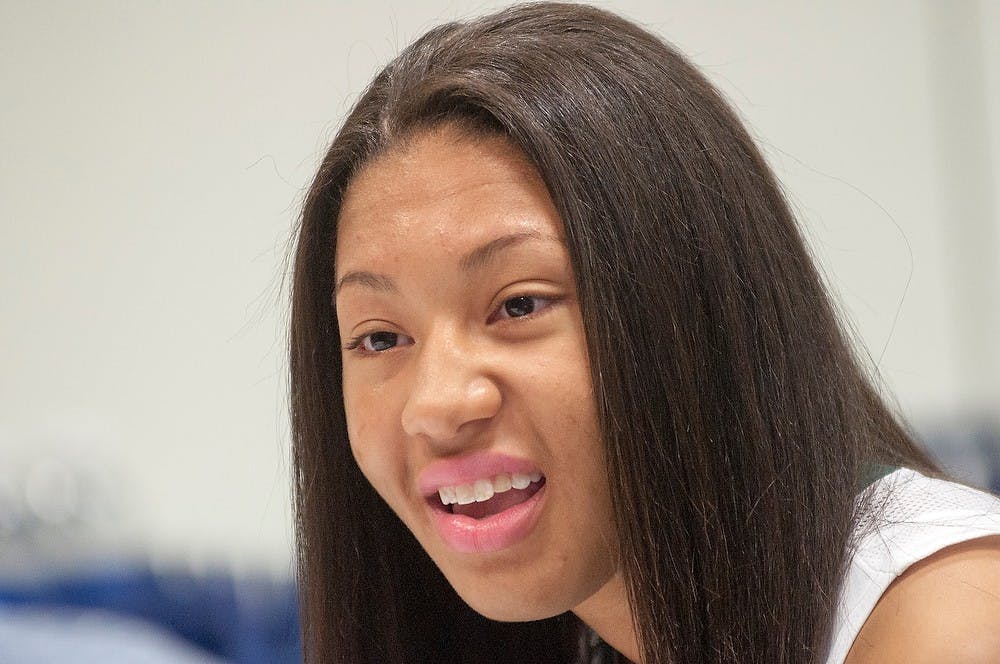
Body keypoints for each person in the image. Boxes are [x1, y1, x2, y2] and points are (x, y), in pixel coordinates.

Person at [288, 3, 1000, 662]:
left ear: (697, 306)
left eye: (520, 304)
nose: (436, 405)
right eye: (380, 339)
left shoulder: (955, 617)